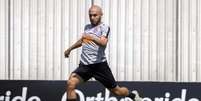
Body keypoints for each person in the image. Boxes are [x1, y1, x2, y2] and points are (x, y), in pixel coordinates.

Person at [64, 5, 142, 101]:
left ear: (101, 15)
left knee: (117, 91)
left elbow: (103, 43)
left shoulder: (104, 27)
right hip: (85, 66)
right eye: (90, 15)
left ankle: (132, 95)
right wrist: (70, 49)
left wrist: (91, 37)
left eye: (95, 15)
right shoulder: (87, 27)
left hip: (99, 66)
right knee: (70, 84)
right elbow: (82, 40)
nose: (92, 17)